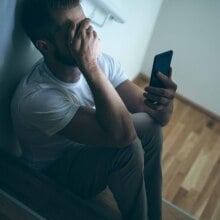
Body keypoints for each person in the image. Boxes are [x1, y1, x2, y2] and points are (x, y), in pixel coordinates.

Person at [11, 0, 177, 219]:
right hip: (56, 174)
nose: (88, 31)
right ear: (45, 46)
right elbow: (124, 136)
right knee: (128, 149)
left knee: (150, 126)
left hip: (87, 147)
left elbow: (157, 117)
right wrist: (89, 65)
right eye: (74, 29)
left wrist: (165, 103)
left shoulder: (101, 63)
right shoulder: (36, 97)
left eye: (85, 21)